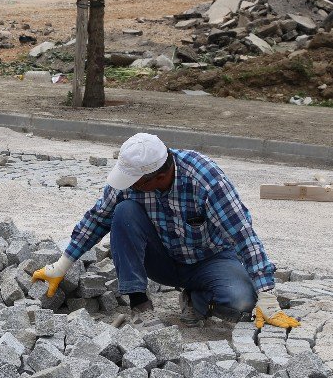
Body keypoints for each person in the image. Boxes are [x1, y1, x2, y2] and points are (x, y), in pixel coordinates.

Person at [32, 133, 300, 329]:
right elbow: (98, 218)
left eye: (135, 183)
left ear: (159, 177)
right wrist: (61, 265)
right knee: (123, 212)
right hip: (161, 259)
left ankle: (195, 299)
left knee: (240, 303)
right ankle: (140, 305)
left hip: (211, 260)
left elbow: (244, 236)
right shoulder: (131, 180)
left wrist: (267, 297)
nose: (129, 186)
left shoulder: (205, 179)